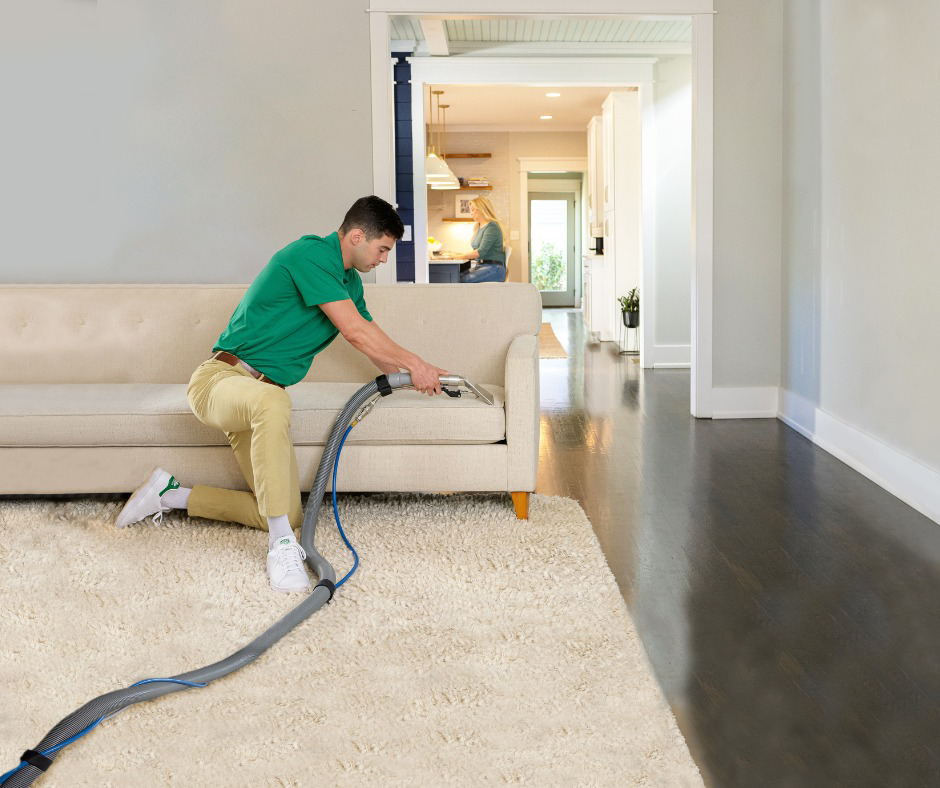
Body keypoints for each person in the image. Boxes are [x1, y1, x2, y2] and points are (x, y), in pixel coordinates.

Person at [114, 196, 448, 594]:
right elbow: (355, 332)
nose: (383, 260)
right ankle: (282, 547)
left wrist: (420, 377)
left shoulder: (350, 283)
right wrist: (416, 362)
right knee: (274, 404)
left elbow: (371, 343)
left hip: (258, 400)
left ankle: (169, 495)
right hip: (220, 382)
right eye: (382, 249)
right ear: (357, 236)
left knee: (284, 510)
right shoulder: (309, 254)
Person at [459, 196, 507, 283]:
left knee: (461, 281)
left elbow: (480, 252)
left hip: (494, 269)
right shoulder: (478, 226)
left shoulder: (492, 227)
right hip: (481, 266)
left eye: (473, 210)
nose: (471, 213)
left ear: (481, 210)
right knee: (456, 277)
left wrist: (459, 256)